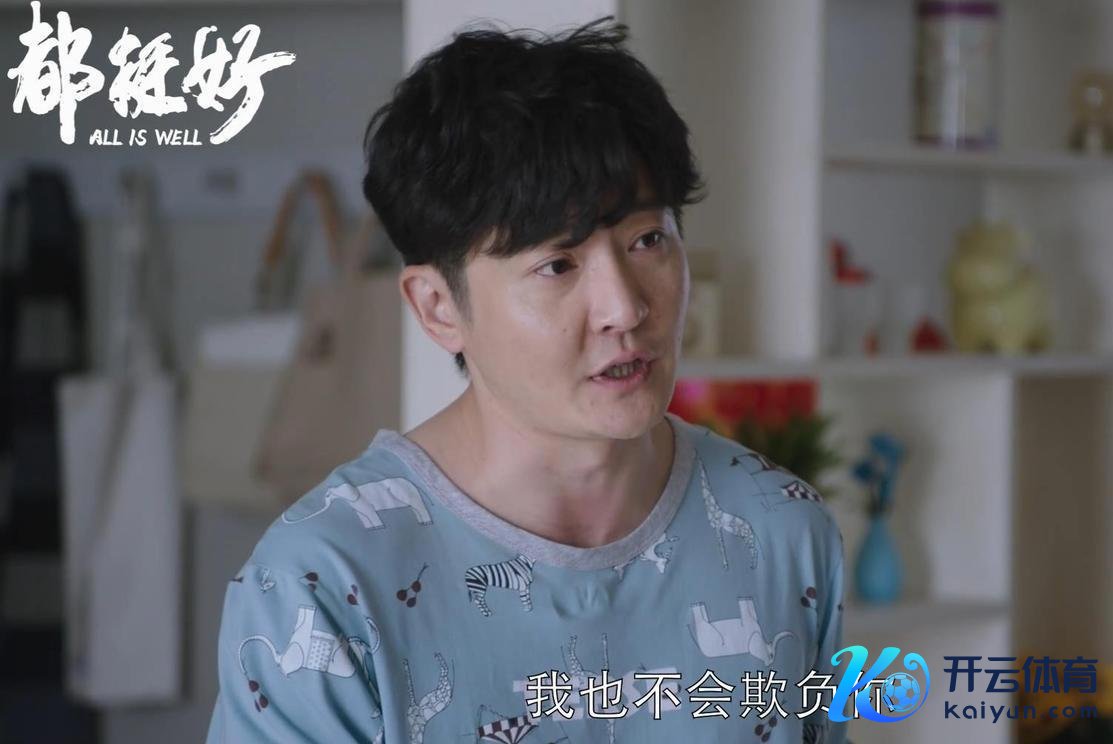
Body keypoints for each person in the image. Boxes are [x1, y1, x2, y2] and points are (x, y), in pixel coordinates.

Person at [206, 16, 847, 744]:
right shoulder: (320, 584)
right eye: (557, 265)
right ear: (438, 307)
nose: (625, 307)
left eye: (646, 240)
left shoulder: (781, 528)